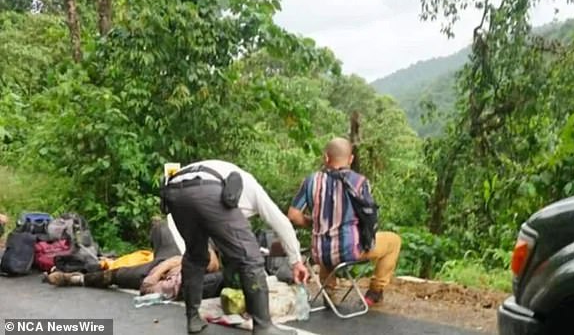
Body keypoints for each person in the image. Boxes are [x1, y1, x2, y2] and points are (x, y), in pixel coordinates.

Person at [161, 159, 308, 334]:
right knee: (251, 258)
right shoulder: (253, 189)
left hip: (174, 191)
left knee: (195, 256)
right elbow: (282, 223)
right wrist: (296, 261)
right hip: (207, 188)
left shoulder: (231, 177)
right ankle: (264, 327)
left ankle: (193, 319)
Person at [287, 137, 402, 307]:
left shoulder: (311, 181)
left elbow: (293, 215)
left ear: (326, 157)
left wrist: (316, 223)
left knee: (329, 247)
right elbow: (368, 215)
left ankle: (329, 291)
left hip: (320, 253)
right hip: (350, 251)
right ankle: (375, 292)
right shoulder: (359, 182)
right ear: (351, 159)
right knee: (394, 241)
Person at [43, 220, 225, 301]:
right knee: (160, 227)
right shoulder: (199, 237)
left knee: (118, 275)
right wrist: (156, 275)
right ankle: (77, 276)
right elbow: (175, 260)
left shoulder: (213, 263)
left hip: (170, 269)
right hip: (167, 261)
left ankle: (76, 279)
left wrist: (157, 279)